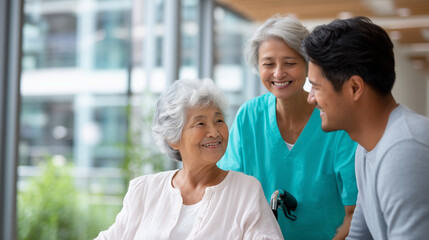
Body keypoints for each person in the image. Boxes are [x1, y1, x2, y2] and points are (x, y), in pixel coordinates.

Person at [217, 15, 358, 240]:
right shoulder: (249, 117)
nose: (279, 73)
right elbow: (229, 194)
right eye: (268, 64)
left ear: (308, 65)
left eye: (290, 63)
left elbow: (354, 213)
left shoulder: (335, 122)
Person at [94, 78, 283, 240]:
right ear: (173, 139)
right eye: (200, 123)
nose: (214, 132)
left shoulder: (246, 191)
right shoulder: (144, 190)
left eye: (219, 120)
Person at [302, 16, 429, 239]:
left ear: (354, 88)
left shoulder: (405, 151)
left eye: (316, 87)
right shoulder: (366, 147)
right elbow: (360, 235)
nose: (310, 98)